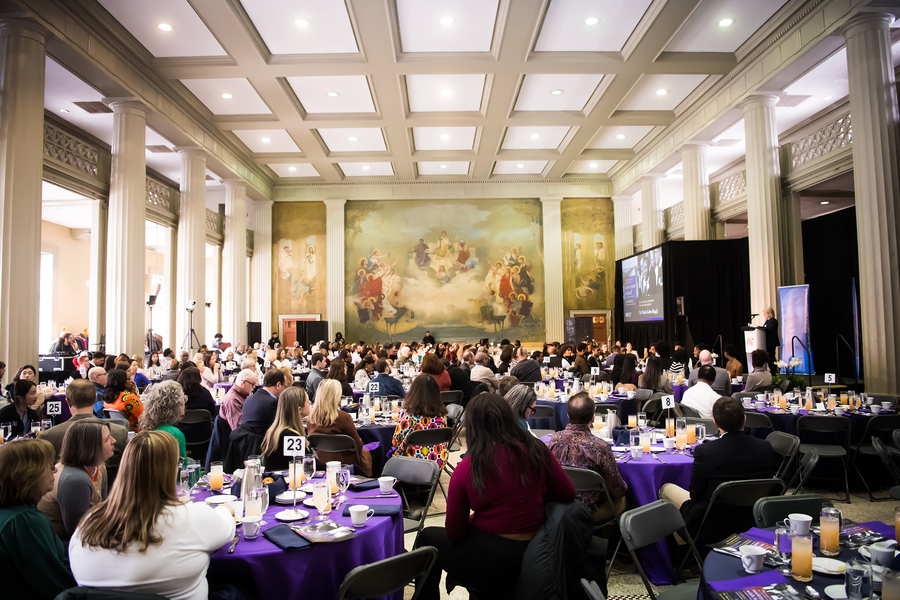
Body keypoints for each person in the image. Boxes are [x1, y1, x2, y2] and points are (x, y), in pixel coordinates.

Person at [415, 393, 575, 599]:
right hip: (536, 550)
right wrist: (532, 493)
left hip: (492, 559)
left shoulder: (468, 467)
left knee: (427, 538)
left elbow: (455, 532)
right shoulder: (536, 450)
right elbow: (568, 492)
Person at [70, 430, 235, 599]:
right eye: (177, 462)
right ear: (169, 470)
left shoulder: (86, 525)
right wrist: (225, 509)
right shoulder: (191, 517)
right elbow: (227, 528)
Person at [659, 397, 780, 541]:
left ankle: (680, 550)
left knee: (665, 488)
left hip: (713, 520)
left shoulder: (706, 452)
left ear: (715, 423)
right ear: (745, 419)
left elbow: (695, 495)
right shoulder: (765, 447)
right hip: (754, 516)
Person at [0, 438, 77, 598]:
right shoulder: (25, 519)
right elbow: (56, 583)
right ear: (29, 473)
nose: (55, 469)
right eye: (49, 464)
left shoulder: (15, 513)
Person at [547, 392, 627, 522]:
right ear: (593, 418)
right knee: (624, 499)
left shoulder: (553, 441)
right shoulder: (601, 447)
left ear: (568, 415)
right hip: (591, 510)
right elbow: (617, 489)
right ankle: (608, 539)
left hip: (559, 506)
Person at [38, 420, 114, 540]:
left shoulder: (99, 465)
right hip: (63, 542)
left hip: (89, 533)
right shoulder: (74, 479)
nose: (113, 441)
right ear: (91, 447)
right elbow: (78, 530)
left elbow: (103, 510)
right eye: (107, 439)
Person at [41, 380, 128, 479]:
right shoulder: (119, 432)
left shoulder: (47, 437)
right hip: (110, 492)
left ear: (68, 401)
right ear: (95, 398)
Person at [307, 380, 373, 476]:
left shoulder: (311, 419)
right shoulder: (343, 417)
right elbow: (358, 447)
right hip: (347, 464)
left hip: (321, 464)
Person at [391, 374, 449, 468]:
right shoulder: (442, 415)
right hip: (437, 461)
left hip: (411, 462)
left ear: (413, 391)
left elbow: (396, 442)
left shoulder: (407, 415)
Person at [261, 387, 310, 471]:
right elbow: (307, 465)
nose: (310, 403)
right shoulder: (290, 436)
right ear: (299, 409)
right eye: (307, 402)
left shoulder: (275, 431)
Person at [139, 380, 188, 460]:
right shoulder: (174, 434)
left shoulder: (147, 429)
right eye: (183, 399)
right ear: (175, 405)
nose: (184, 402)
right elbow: (182, 470)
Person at [241, 369, 287, 435]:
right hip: (262, 442)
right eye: (284, 386)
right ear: (278, 385)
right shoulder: (272, 403)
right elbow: (279, 429)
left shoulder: (248, 399)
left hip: (246, 442)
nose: (284, 390)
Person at [762, 307, 780, 372]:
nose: (764, 315)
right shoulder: (767, 321)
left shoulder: (773, 321)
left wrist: (760, 328)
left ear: (769, 314)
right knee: (769, 357)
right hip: (767, 342)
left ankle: (774, 371)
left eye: (765, 314)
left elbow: (770, 329)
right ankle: (772, 371)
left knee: (771, 357)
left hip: (771, 342)